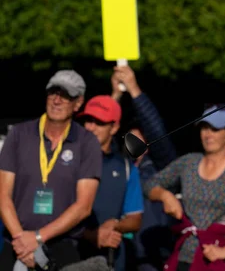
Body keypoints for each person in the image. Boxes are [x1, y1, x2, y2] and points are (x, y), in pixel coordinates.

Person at [0, 70, 102, 269]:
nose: (57, 100)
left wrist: (37, 238)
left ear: (78, 103)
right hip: (15, 243)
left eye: (65, 95)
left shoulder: (86, 142)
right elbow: (3, 195)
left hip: (62, 247)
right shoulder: (19, 134)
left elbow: (83, 207)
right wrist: (23, 241)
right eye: (53, 92)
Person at [144, 106, 225, 271]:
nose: (207, 134)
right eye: (204, 128)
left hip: (220, 261)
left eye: (215, 129)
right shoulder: (188, 162)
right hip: (185, 256)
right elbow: (149, 184)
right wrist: (165, 195)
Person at [110, 64, 177, 271]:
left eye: (141, 136)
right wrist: (115, 95)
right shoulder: (115, 166)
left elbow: (155, 128)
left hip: (153, 257)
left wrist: (134, 89)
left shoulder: (163, 166)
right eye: (130, 136)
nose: (134, 141)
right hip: (118, 253)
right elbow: (94, 138)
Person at [78, 95, 144, 271]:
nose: (90, 127)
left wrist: (115, 225)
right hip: (70, 256)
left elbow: (135, 219)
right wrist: (91, 235)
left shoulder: (126, 168)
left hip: (112, 259)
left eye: (99, 122)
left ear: (114, 127)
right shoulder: (69, 161)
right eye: (88, 120)